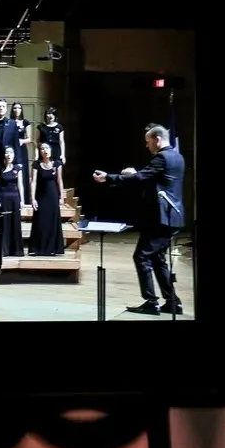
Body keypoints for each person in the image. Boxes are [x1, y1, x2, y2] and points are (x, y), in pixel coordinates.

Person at [93, 124, 185, 315]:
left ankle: (151, 302)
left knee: (141, 256)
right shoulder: (177, 157)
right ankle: (172, 302)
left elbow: (141, 178)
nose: (147, 145)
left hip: (161, 218)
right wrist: (134, 174)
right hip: (173, 216)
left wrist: (109, 178)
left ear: (157, 139)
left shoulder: (161, 157)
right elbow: (154, 179)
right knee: (158, 259)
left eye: (148, 141)